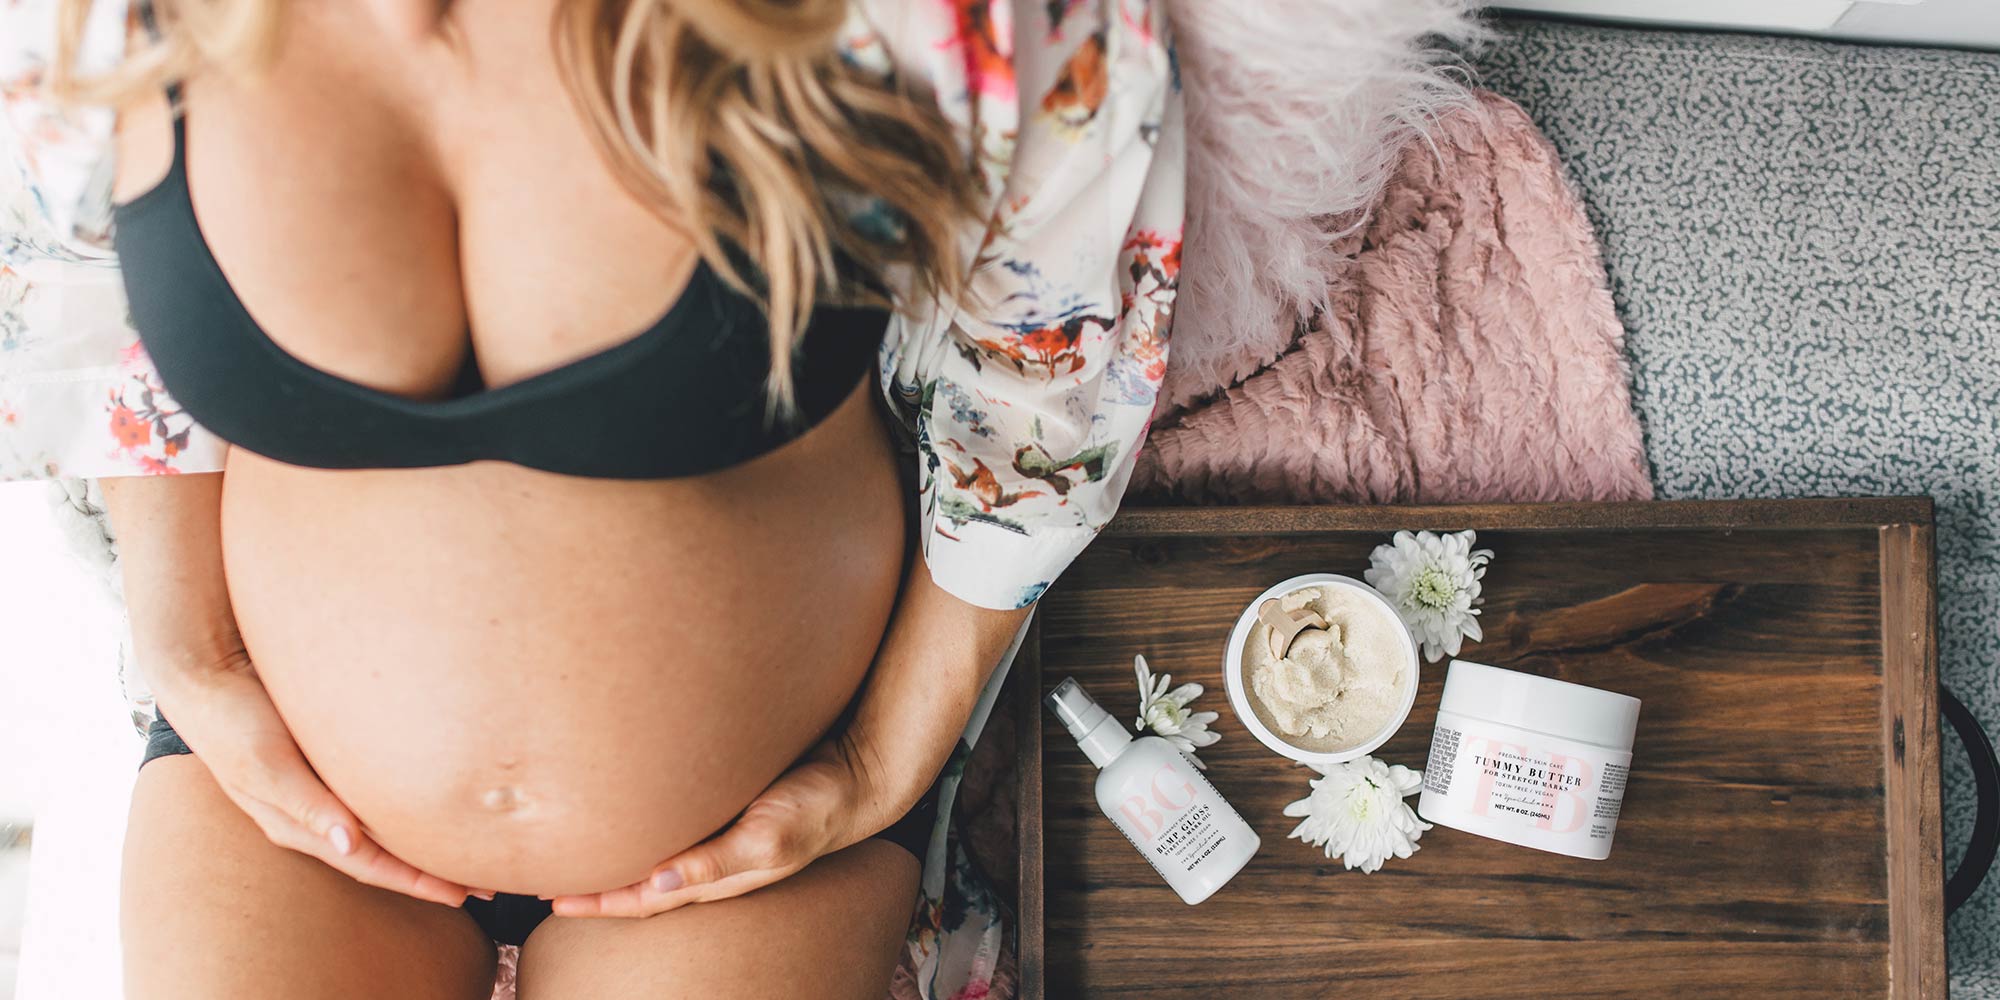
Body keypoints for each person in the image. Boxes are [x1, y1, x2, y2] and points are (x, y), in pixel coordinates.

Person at [0, 0, 1183, 996]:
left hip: (756, 831)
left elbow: (1042, 387)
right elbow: (81, 297)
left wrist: (883, 762)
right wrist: (188, 652)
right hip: (278, 803)